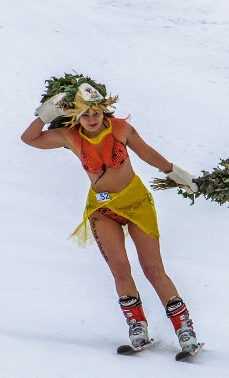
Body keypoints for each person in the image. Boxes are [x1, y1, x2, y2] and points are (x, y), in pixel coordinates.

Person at [21, 77, 200, 353]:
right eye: (85, 114)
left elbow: (147, 153)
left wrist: (175, 172)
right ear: (75, 115)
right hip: (102, 209)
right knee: (119, 268)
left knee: (153, 269)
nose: (91, 119)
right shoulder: (70, 136)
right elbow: (29, 139)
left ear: (104, 111)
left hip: (136, 203)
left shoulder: (120, 129)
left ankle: (184, 328)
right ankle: (137, 326)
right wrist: (44, 114)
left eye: (96, 112)